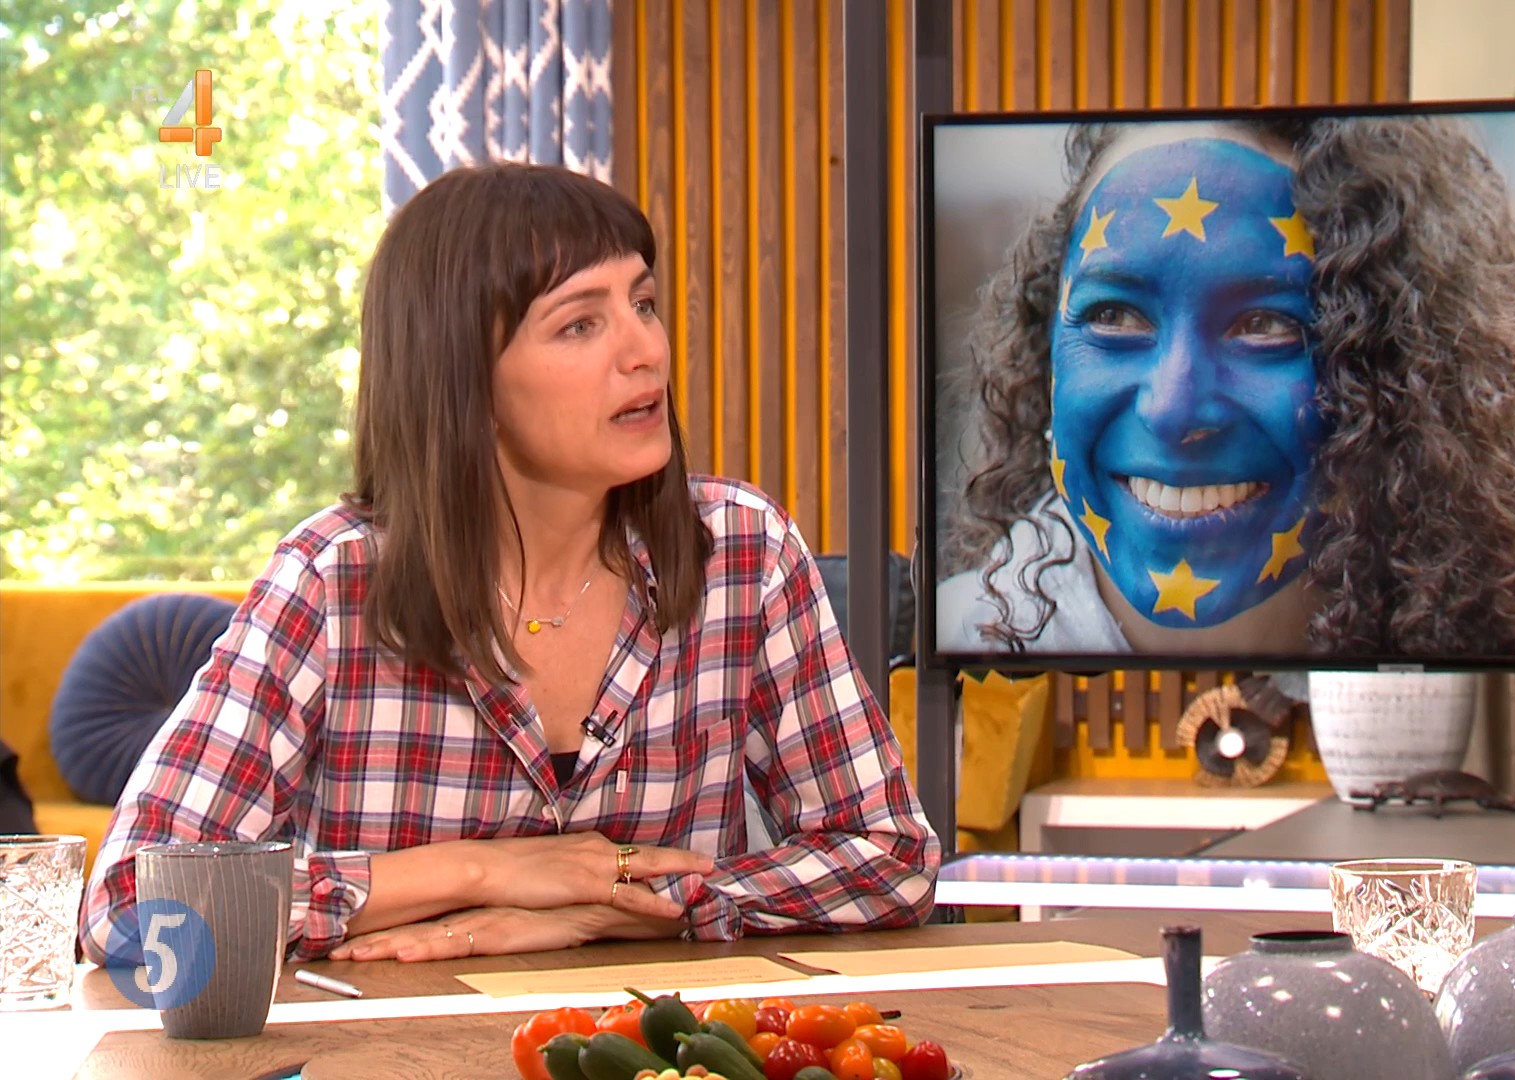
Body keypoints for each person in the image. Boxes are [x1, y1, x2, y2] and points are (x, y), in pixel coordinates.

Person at [80, 162, 940, 965]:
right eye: (580, 324)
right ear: (465, 380)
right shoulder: (334, 583)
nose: (644, 350)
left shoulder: (742, 551)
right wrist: (484, 873)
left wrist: (632, 904)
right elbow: (131, 902)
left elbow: (889, 855)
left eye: (643, 303)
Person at [937, 116, 1515, 660]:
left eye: (1266, 325)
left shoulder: (1497, 679)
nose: (1173, 409)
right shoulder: (933, 688)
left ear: (1392, 378)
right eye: (1114, 316)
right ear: (1044, 353)